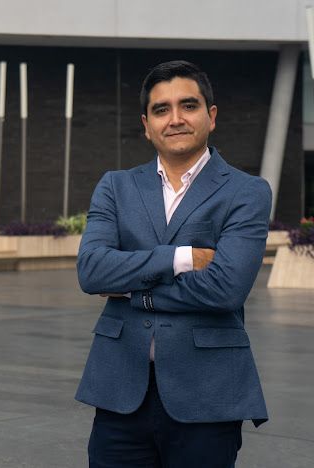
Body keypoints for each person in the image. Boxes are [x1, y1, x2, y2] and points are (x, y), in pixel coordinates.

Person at [75, 60, 270, 468]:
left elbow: (225, 288)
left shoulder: (247, 191)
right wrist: (181, 256)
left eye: (189, 106)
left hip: (208, 393)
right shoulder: (116, 185)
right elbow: (92, 270)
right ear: (146, 125)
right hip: (119, 391)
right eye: (161, 110)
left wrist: (133, 289)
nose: (175, 119)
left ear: (211, 116)